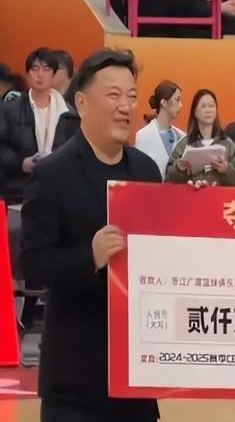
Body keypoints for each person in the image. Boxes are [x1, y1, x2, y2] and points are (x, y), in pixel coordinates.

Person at [21, 49, 161, 422]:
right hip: (75, 383)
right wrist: (90, 258)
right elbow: (33, 264)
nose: (125, 106)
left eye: (131, 96)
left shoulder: (146, 172)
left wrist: (194, 206)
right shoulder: (52, 174)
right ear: (82, 103)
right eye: (113, 95)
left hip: (136, 377)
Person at [0, 48, 73, 204]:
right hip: (18, 193)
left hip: (57, 194)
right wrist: (21, 163)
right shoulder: (9, 109)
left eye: (46, 69)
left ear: (53, 74)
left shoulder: (69, 113)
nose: (40, 75)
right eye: (35, 69)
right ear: (28, 74)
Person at [166, 89, 235, 186]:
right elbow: (168, 178)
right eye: (203, 106)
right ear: (195, 112)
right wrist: (179, 168)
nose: (208, 110)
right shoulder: (184, 144)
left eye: (211, 106)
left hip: (219, 194)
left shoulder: (228, 144)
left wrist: (226, 170)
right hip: (191, 193)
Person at [136, 80, 184, 180]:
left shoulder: (182, 137)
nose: (181, 105)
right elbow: (139, 175)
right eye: (177, 100)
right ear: (163, 103)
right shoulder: (143, 136)